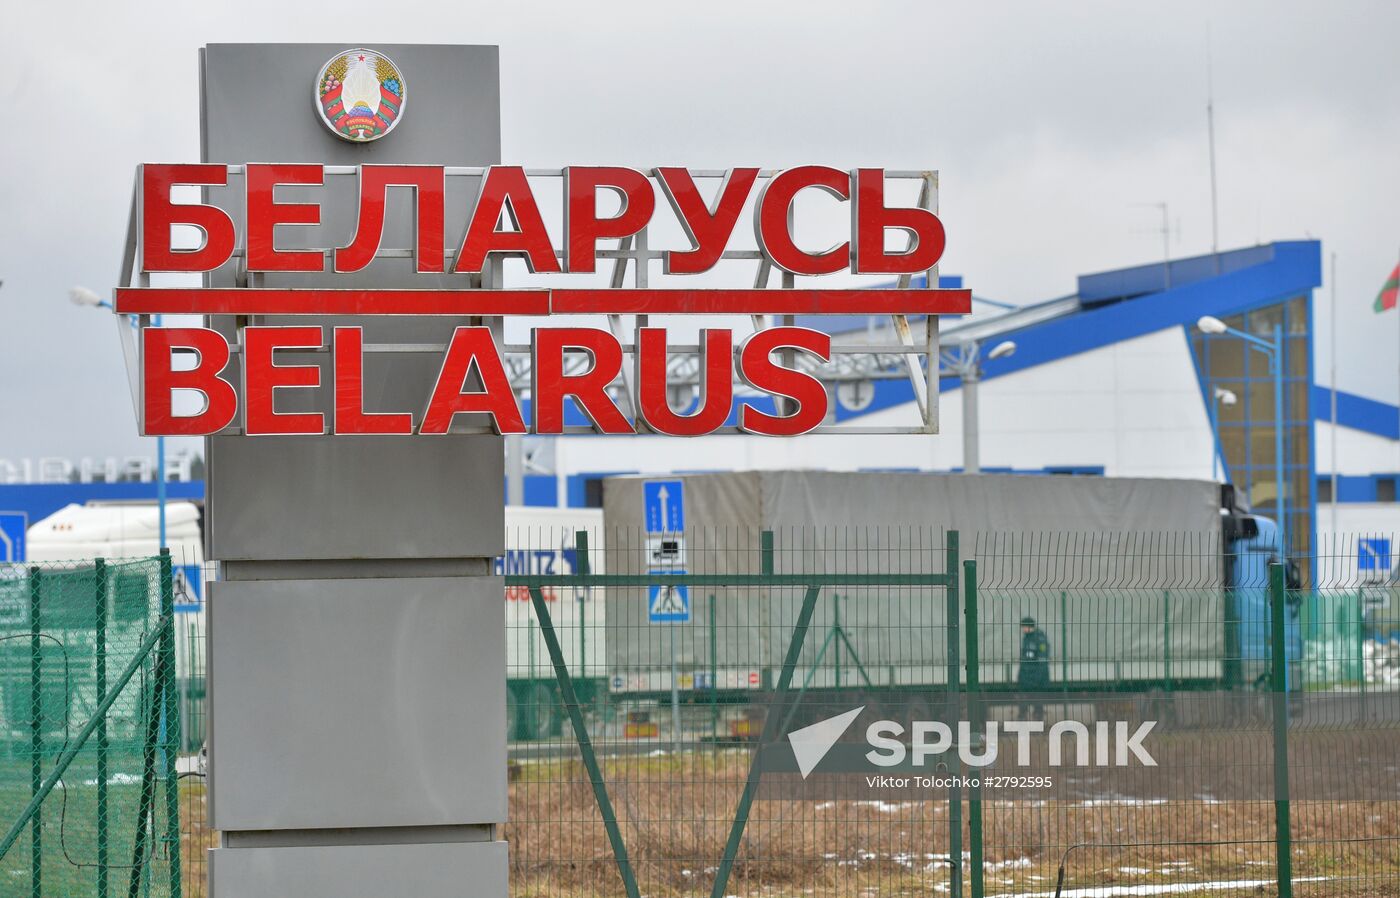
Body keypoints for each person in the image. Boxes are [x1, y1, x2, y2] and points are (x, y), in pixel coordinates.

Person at [1017, 615, 1050, 720]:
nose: (1023, 629)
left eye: (1024, 627)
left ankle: (1038, 725)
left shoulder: (1039, 639)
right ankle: (1023, 723)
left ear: (1029, 626)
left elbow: (1042, 660)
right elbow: (1024, 659)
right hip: (1026, 677)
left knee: (1037, 702)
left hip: (1036, 678)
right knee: (1023, 703)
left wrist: (1038, 678)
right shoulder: (1026, 638)